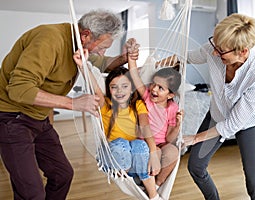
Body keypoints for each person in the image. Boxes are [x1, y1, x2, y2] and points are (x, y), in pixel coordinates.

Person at [0, 9, 136, 200]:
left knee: (62, 175)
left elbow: (103, 62)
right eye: (103, 46)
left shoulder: (82, 45)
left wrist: (124, 57)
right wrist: (72, 103)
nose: (102, 52)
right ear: (86, 35)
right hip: (12, 118)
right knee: (32, 193)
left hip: (38, 118)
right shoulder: (50, 39)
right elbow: (19, 88)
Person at [181, 13, 255, 199]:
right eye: (215, 46)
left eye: (221, 51)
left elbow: (232, 124)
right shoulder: (213, 50)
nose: (215, 52)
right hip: (217, 114)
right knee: (196, 167)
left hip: (248, 123)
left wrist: (195, 138)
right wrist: (154, 65)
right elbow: (186, 58)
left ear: (243, 51)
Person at [73, 49, 163, 200]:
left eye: (124, 86)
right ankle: (129, 175)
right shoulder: (106, 104)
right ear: (109, 89)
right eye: (114, 87)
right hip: (112, 157)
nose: (119, 91)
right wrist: (83, 67)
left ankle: (153, 196)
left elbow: (146, 128)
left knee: (139, 145)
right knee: (122, 144)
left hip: (133, 158)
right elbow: (94, 87)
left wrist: (153, 153)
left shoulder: (138, 105)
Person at [127, 41, 183, 188]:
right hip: (145, 143)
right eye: (153, 84)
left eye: (160, 88)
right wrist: (131, 59)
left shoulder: (172, 108)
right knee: (156, 152)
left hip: (162, 144)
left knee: (173, 152)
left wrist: (177, 126)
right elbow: (134, 75)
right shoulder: (146, 97)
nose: (154, 89)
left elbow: (169, 138)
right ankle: (146, 184)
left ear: (170, 95)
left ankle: (158, 184)